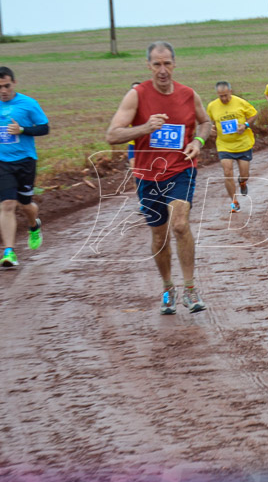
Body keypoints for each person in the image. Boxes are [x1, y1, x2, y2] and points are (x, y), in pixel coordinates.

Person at [105, 41, 213, 314]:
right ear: (148, 66)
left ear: (174, 64)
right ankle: (168, 287)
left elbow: (206, 122)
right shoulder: (137, 95)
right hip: (147, 175)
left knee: (179, 224)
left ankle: (190, 288)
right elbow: (112, 135)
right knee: (159, 235)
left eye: (167, 64)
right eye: (157, 64)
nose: (162, 70)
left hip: (181, 169)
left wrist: (198, 142)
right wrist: (144, 127)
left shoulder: (189, 94)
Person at [0, 66, 49, 268]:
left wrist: (23, 129)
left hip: (25, 160)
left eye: (6, 86)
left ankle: (33, 225)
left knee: (26, 205)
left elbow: (44, 127)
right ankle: (9, 252)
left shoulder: (28, 104)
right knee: (7, 204)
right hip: (0, 161)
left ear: (14, 83)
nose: (3, 90)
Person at [206, 81, 257, 213]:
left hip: (243, 143)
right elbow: (207, 122)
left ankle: (242, 182)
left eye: (226, 95)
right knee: (227, 172)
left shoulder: (240, 102)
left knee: (244, 174)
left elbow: (253, 114)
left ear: (231, 91)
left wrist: (245, 125)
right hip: (224, 145)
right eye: (220, 96)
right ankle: (234, 201)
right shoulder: (212, 106)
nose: (223, 98)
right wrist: (210, 129)